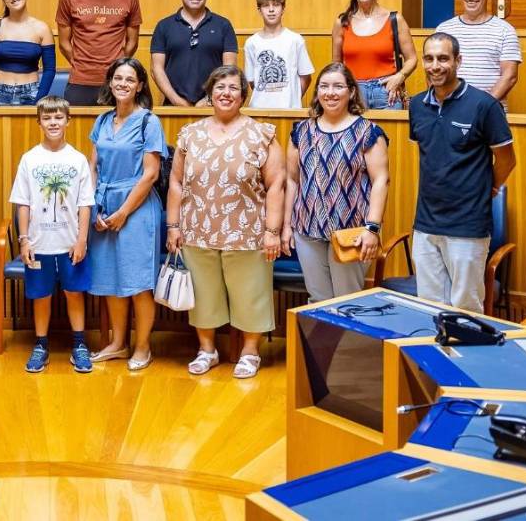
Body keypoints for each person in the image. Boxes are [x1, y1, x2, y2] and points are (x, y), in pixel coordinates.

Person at [166, 66, 285, 379]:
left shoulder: (262, 134)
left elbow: (276, 184)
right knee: (203, 294)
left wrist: (272, 231)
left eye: (233, 88)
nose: (226, 93)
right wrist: (173, 225)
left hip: (247, 232)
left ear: (243, 95)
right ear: (210, 93)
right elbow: (176, 181)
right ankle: (207, 350)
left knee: (251, 293)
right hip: (196, 230)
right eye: (219, 87)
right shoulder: (190, 134)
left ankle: (250, 352)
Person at [408, 33, 516, 313]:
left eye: (443, 58)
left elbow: (507, 160)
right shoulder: (416, 105)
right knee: (429, 307)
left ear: (458, 61)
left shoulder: (484, 105)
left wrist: (490, 189)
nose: (435, 66)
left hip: (467, 225)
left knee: (466, 309)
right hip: (426, 224)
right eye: (429, 59)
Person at [283, 63, 389, 302]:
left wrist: (372, 229)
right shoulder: (301, 131)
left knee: (347, 301)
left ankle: (349, 331)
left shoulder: (368, 132)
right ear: (317, 92)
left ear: (351, 92)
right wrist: (287, 226)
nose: (330, 93)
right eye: (324, 86)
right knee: (318, 301)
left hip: (351, 233)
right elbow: (292, 180)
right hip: (307, 230)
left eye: (338, 86)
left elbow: (381, 181)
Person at [86, 59, 165, 370]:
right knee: (111, 279)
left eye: (130, 79)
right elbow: (93, 167)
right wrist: (94, 207)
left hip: (137, 208)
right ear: (110, 82)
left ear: (140, 85)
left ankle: (143, 347)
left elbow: (150, 174)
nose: (122, 84)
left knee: (138, 282)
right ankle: (118, 344)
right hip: (104, 207)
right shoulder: (102, 120)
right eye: (118, 78)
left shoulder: (149, 122)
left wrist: (123, 212)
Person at [10, 95, 96, 374]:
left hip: (70, 243)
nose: (53, 122)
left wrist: (82, 240)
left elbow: (85, 204)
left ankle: (79, 344)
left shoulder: (78, 159)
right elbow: (23, 203)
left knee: (74, 292)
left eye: (59, 117)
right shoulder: (29, 159)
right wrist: (24, 239)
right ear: (39, 122)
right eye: (47, 118)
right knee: (42, 295)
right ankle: (41, 344)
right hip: (38, 244)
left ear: (68, 121)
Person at [56, 0, 142, 105]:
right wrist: (81, 65)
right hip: (80, 81)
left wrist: (118, 66)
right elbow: (64, 43)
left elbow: (132, 42)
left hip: (115, 82)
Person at [332, 0, 418, 109]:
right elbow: (336, 66)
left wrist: (400, 76)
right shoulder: (342, 22)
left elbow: (412, 58)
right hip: (354, 93)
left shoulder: (395, 19)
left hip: (387, 92)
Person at [149, 0, 237, 106]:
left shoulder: (223, 25)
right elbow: (156, 69)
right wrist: (177, 101)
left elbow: (229, 70)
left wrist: (208, 100)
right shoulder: (164, 26)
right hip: (173, 107)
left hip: (214, 106)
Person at [436, 0, 521, 104]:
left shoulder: (505, 30)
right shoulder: (443, 30)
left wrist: (481, 107)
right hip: (450, 110)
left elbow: (509, 76)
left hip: (489, 112)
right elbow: (434, 72)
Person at [244, 0, 314, 109]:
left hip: (289, 109)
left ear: (283, 9)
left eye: (276, 5)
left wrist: (293, 100)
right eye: (266, 5)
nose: (271, 10)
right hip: (259, 109)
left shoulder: (295, 40)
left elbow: (306, 77)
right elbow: (252, 81)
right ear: (259, 10)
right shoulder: (251, 43)